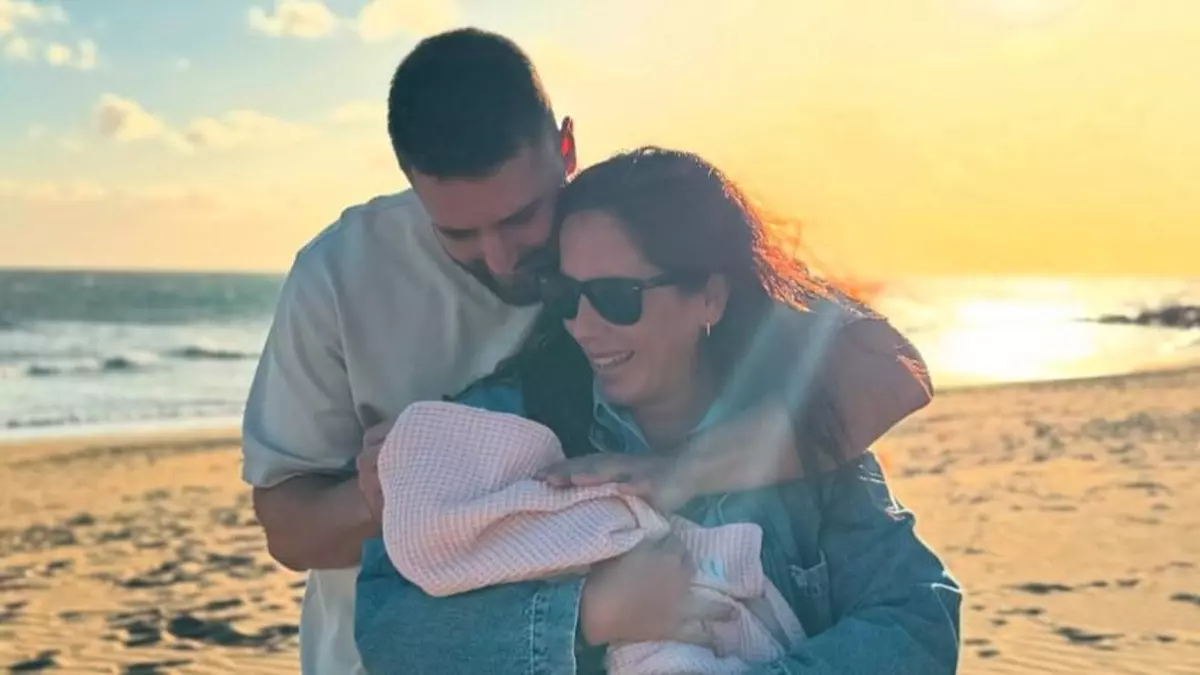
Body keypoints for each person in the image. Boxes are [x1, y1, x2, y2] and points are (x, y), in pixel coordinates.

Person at [242, 29, 935, 674]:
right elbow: (295, 537)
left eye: (521, 218)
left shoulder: (622, 228)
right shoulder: (340, 277)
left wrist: (684, 471)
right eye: (459, 234)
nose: (502, 258)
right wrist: (408, 488)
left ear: (565, 151)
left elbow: (894, 370)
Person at [355, 147, 961, 674]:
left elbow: (918, 620)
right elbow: (389, 633)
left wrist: (684, 472)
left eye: (617, 298)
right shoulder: (509, 426)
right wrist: (588, 615)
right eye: (564, 295)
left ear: (710, 297)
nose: (583, 326)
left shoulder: (795, 432)